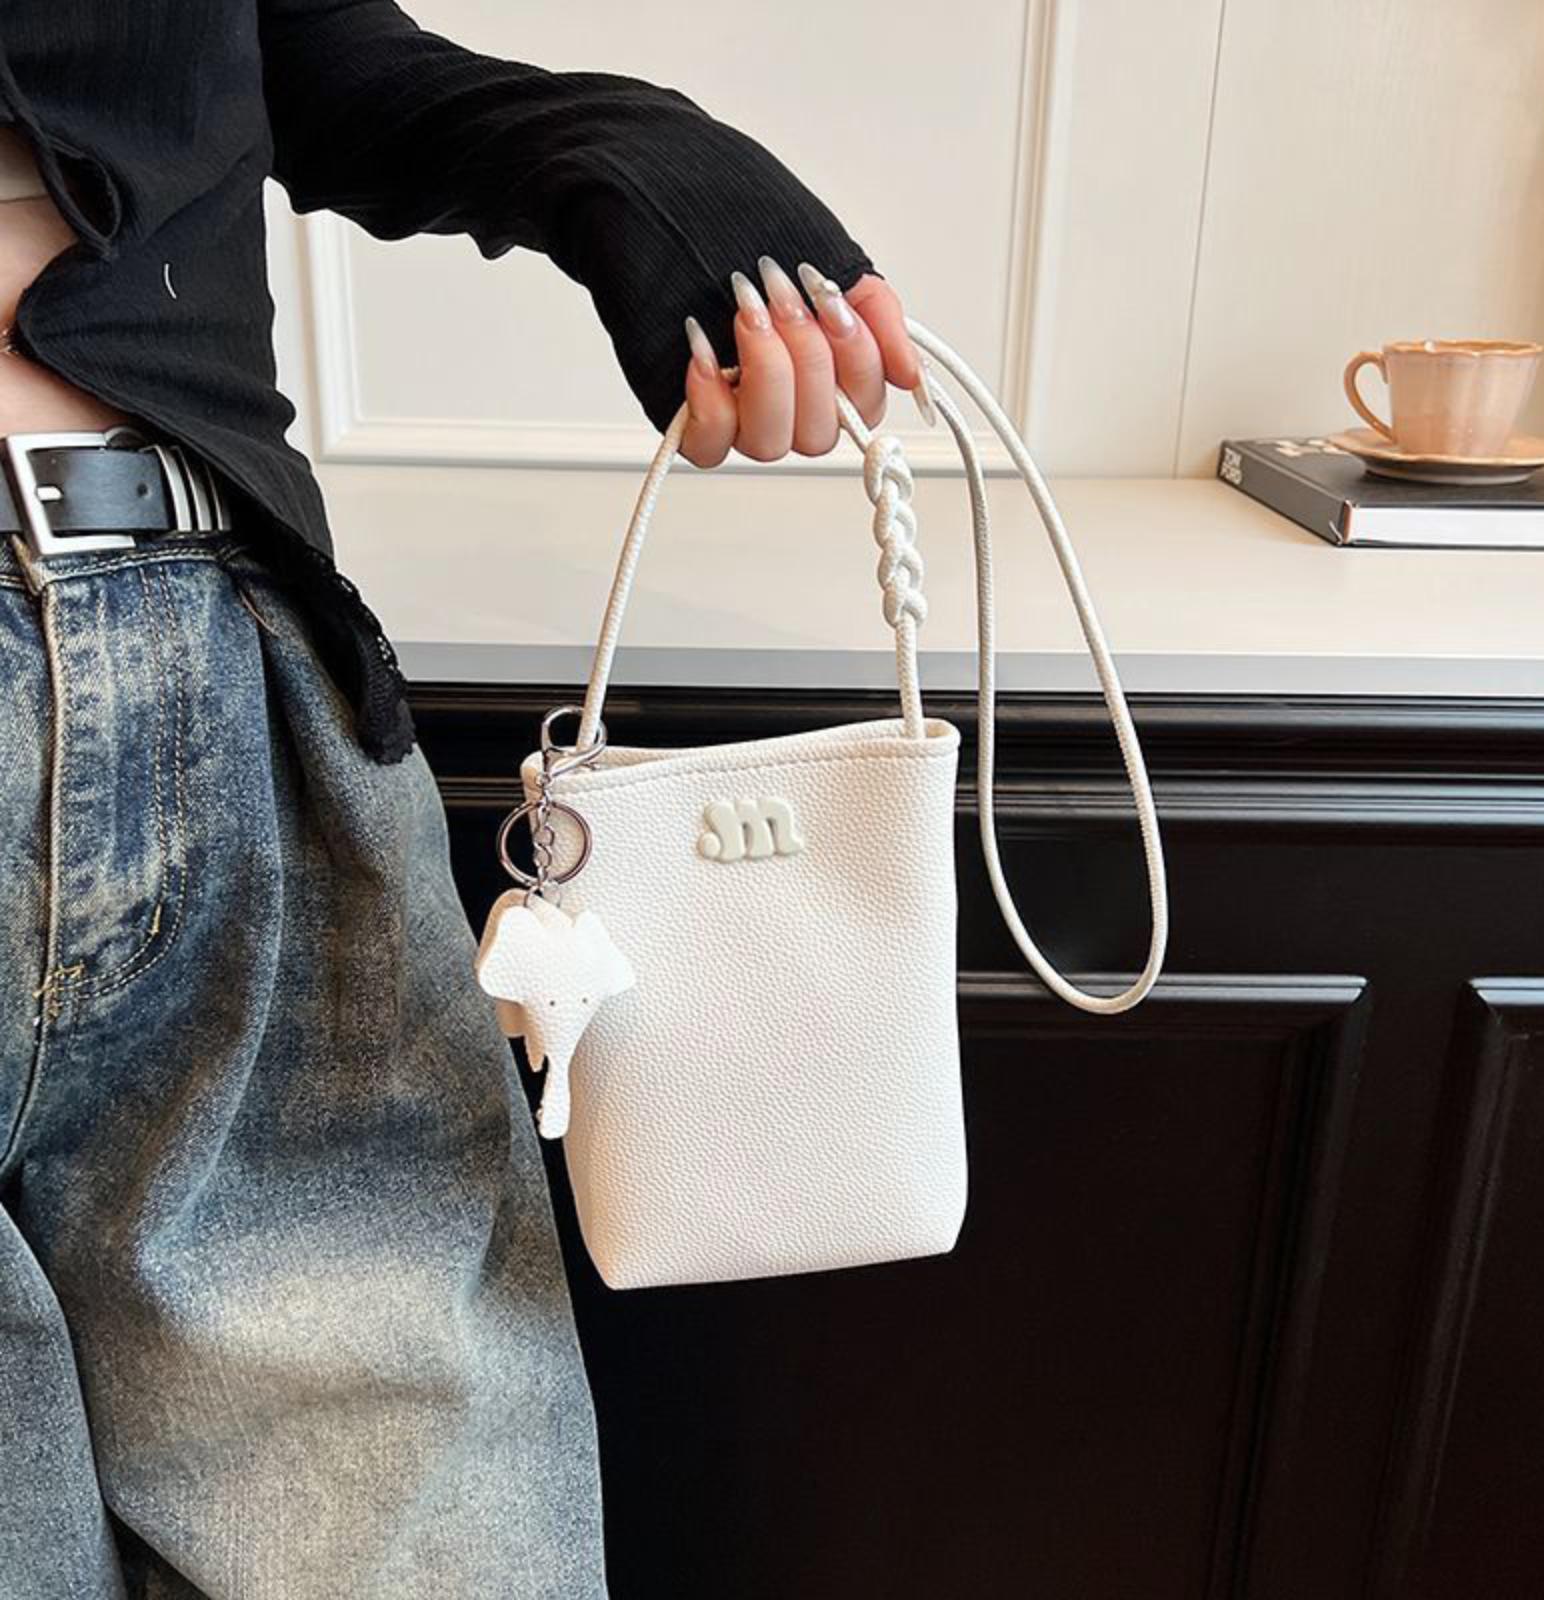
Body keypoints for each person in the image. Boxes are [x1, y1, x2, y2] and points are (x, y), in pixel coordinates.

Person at [0, 5, 923, 1596]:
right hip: (210, 672)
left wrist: (632, 165)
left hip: (217, 654)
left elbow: (303, 51)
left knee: (426, 1534)